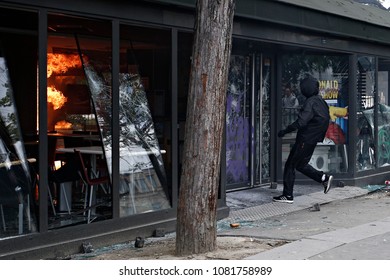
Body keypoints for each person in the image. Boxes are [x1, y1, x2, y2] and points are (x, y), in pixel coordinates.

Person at [274, 75, 333, 203]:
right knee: (300, 165)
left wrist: (285, 131)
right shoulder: (320, 101)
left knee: (290, 165)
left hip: (305, 139)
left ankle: (288, 195)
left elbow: (301, 121)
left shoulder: (311, 102)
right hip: (312, 140)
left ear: (305, 89)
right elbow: (324, 119)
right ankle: (323, 178)